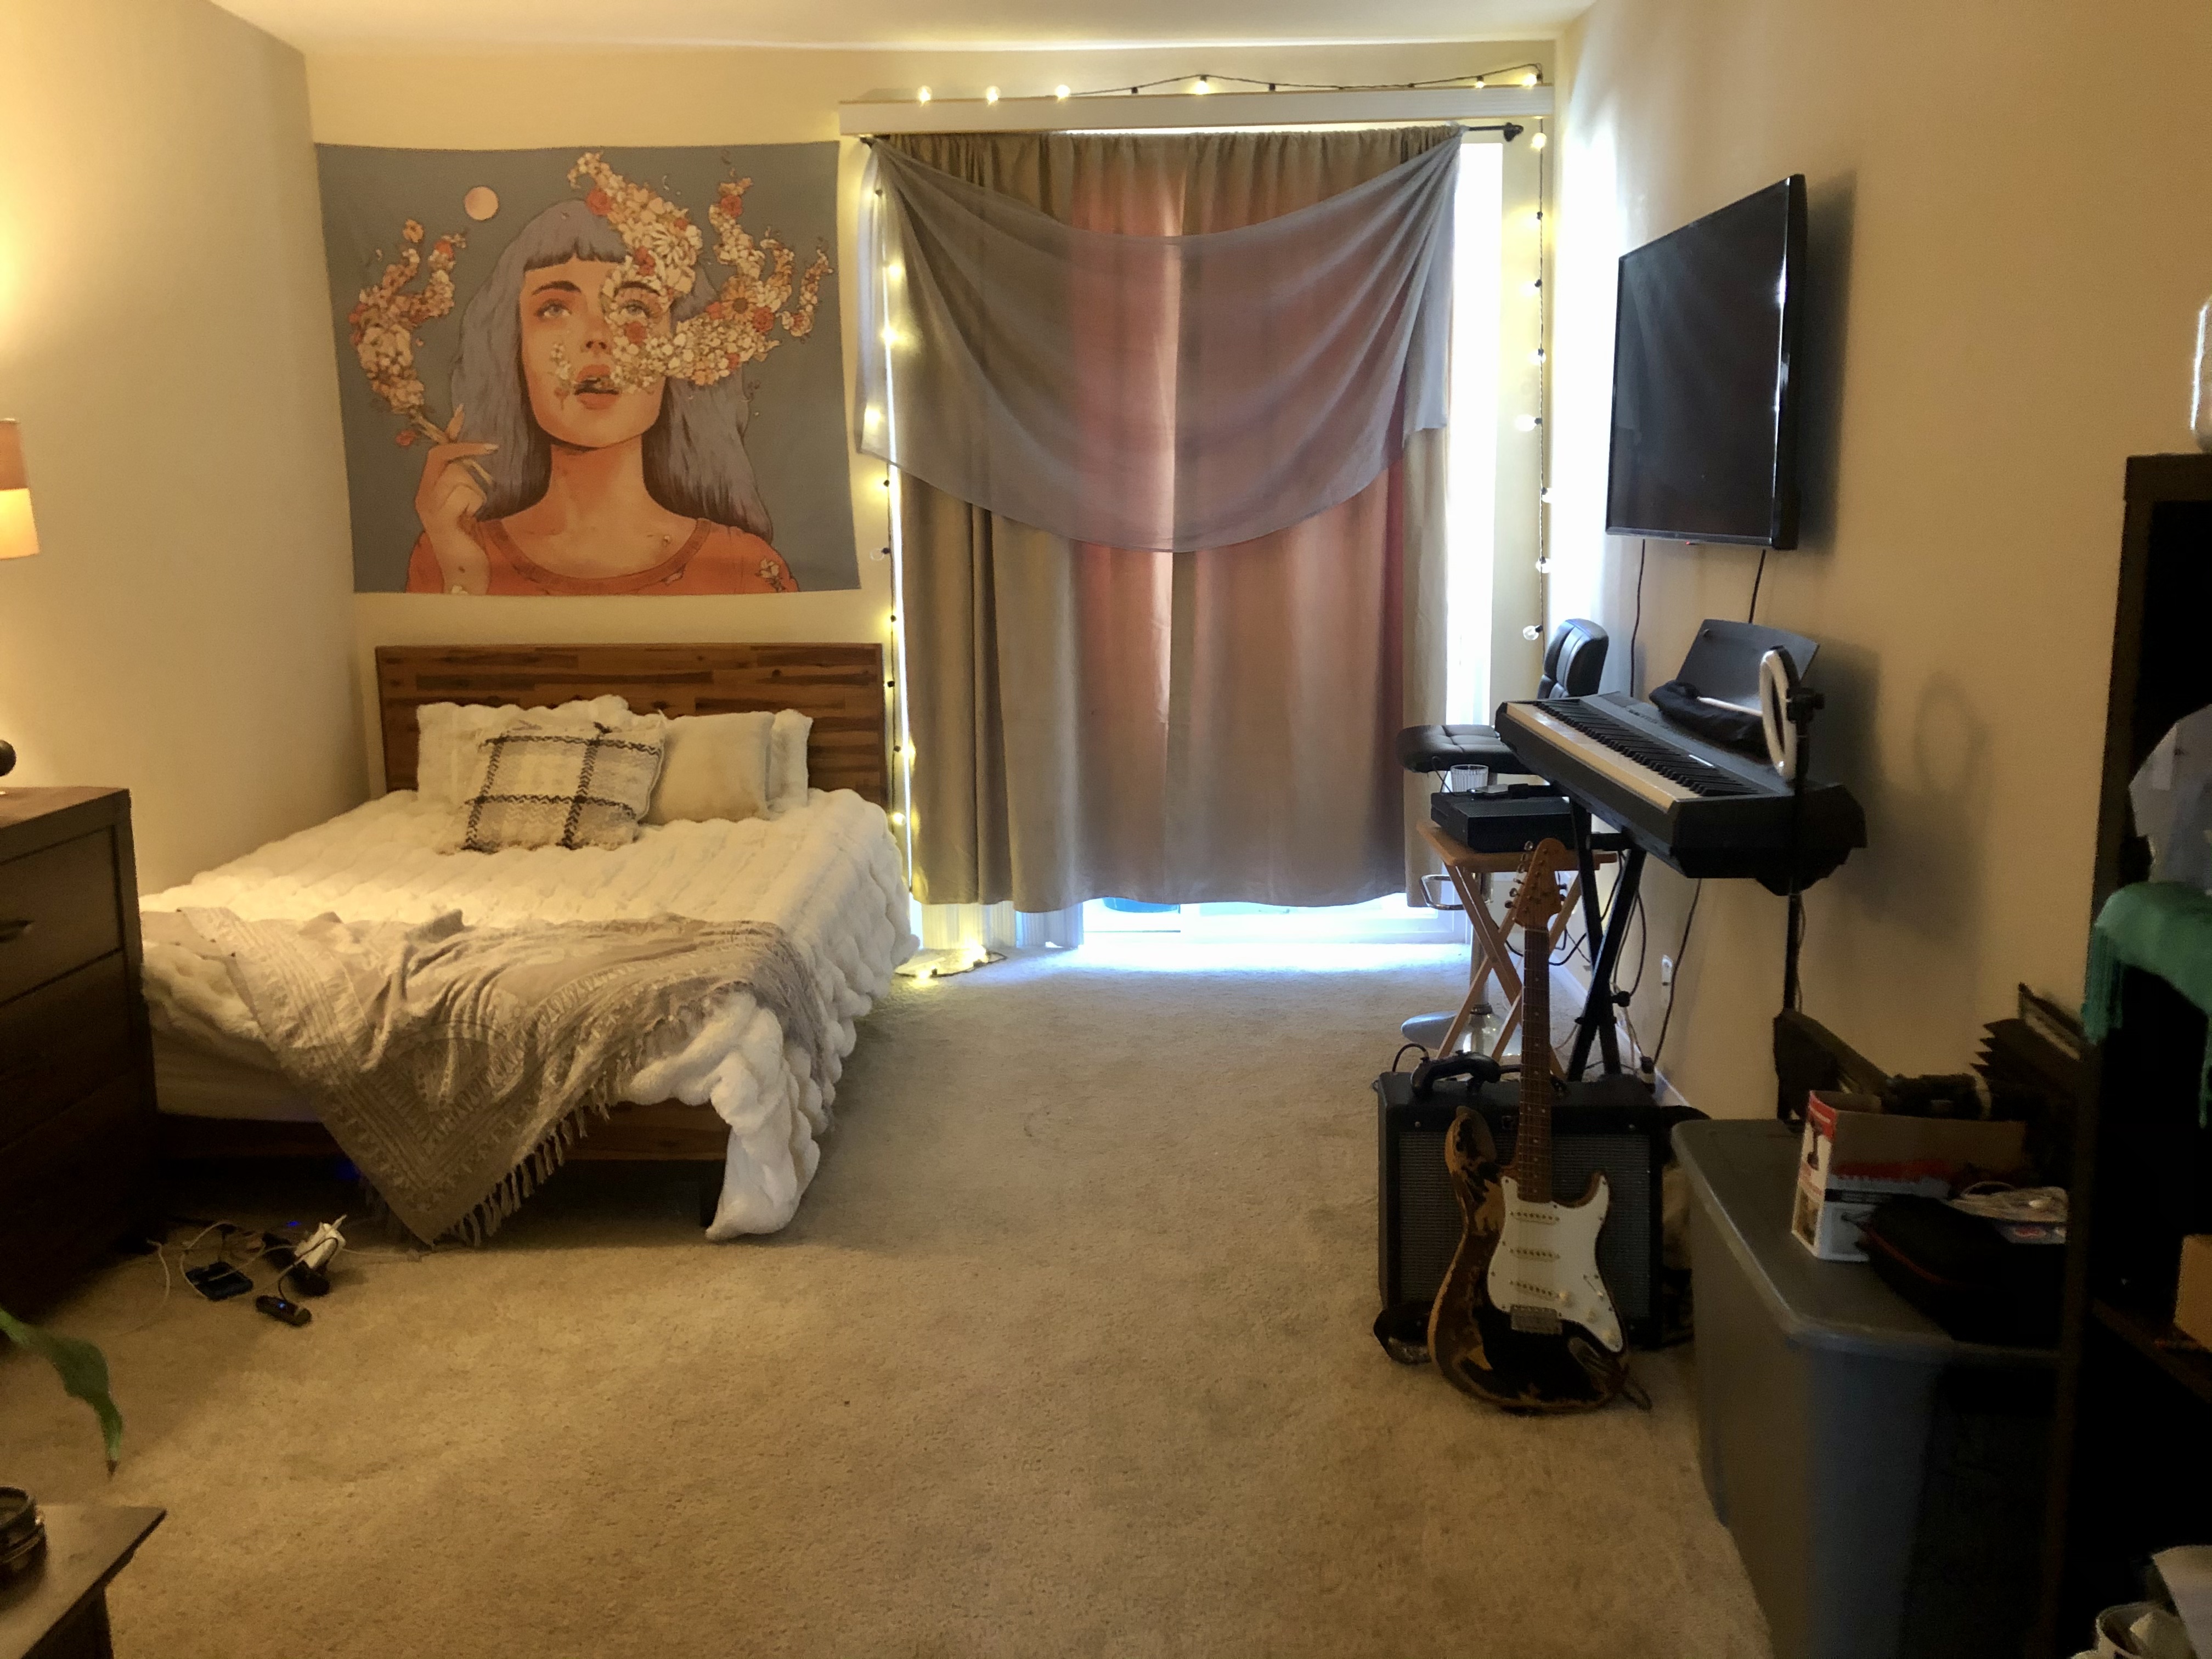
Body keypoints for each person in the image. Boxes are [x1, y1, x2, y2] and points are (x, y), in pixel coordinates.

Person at [405, 199, 795, 595]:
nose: (597, 336)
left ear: (683, 348)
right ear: (513, 347)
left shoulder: (745, 569)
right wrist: (464, 580)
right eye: (554, 309)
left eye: (635, 308)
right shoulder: (453, 553)